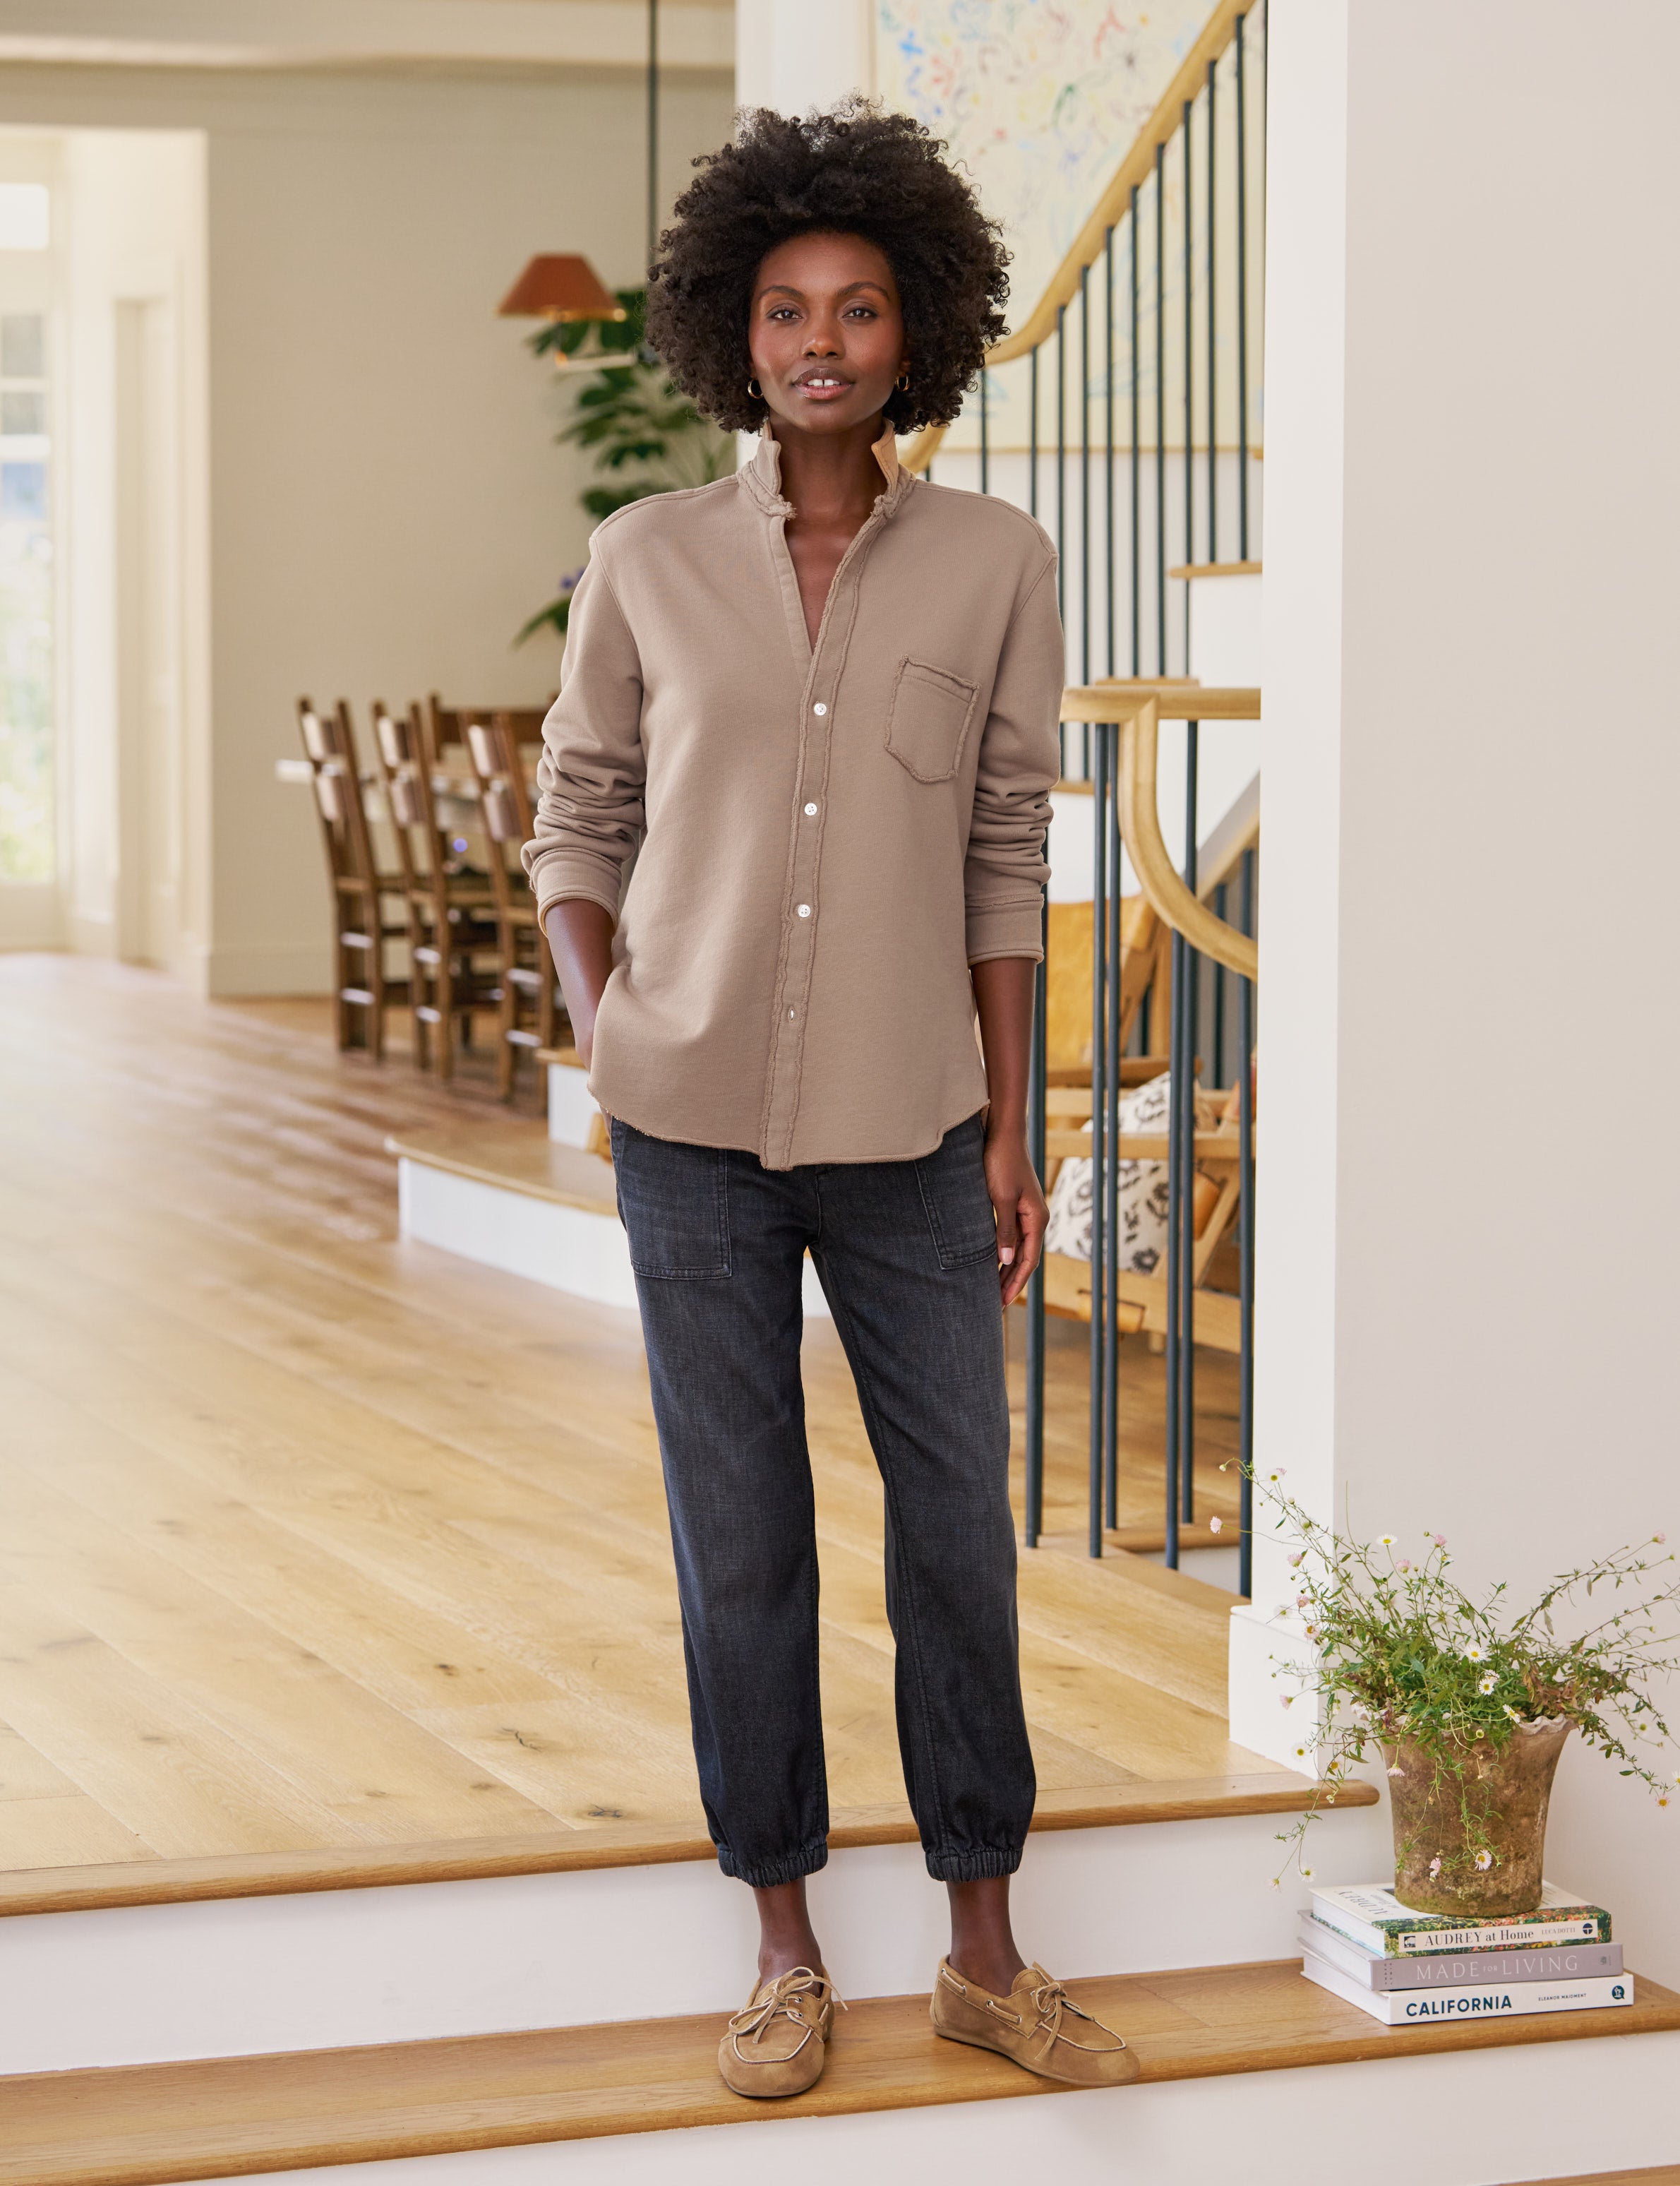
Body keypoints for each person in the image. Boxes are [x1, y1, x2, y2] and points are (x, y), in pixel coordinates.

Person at [524, 101, 1136, 2100]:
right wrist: (603, 1023)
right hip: (686, 1123)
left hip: (913, 1133)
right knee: (743, 1539)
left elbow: (1001, 850)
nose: (818, 340)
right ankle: (781, 1947)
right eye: (784, 308)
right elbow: (577, 818)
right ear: (733, 330)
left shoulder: (993, 564)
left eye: (857, 308)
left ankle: (982, 1944)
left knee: (955, 1534)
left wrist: (1013, 1118)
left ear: (912, 333)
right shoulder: (645, 560)